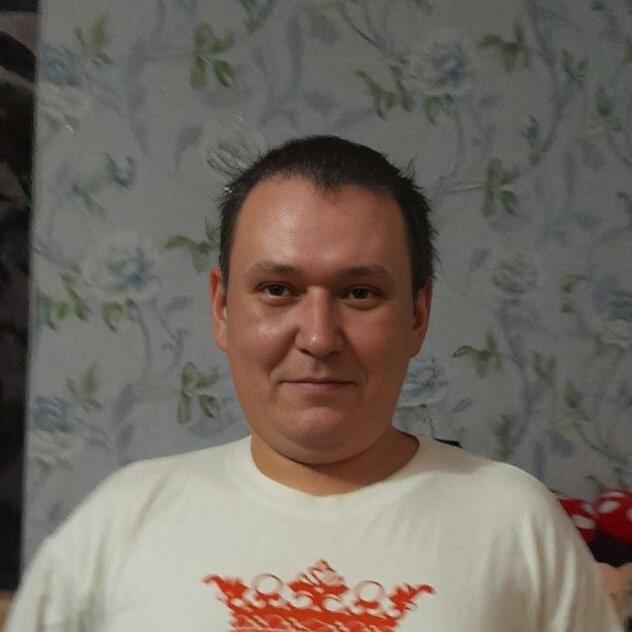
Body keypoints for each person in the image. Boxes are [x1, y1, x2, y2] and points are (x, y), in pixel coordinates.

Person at [6, 136, 623, 631]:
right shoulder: (123, 517)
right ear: (222, 308)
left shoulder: (515, 521)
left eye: (361, 293)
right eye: (278, 289)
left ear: (417, 315)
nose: (320, 337)